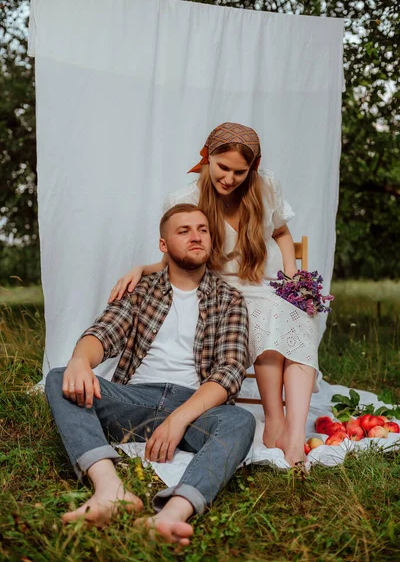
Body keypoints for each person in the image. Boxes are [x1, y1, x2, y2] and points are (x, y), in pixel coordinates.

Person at [109, 122, 321, 467]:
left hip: (257, 283)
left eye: (240, 172)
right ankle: (275, 422)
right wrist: (140, 270)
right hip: (215, 290)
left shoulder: (264, 187)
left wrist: (292, 276)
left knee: (295, 317)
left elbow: (281, 231)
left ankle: (292, 433)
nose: (229, 178)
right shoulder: (187, 199)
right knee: (268, 317)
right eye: (223, 167)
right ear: (207, 157)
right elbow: (172, 257)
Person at [45, 203, 255, 545]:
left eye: (202, 229)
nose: (196, 236)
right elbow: (102, 333)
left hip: (195, 405)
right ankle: (109, 490)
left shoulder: (229, 299)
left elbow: (229, 372)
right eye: (183, 231)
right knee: (60, 376)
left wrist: (179, 420)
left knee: (240, 421)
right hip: (136, 399)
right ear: (163, 245)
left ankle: (173, 512)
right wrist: (81, 360)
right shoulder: (142, 290)